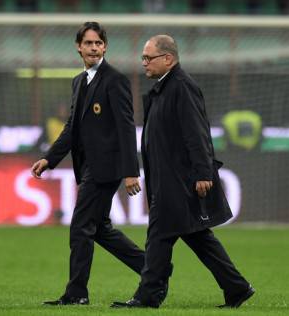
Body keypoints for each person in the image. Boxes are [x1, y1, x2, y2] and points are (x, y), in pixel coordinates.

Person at [111, 35, 254, 309]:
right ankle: (237, 287)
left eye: (148, 58)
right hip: (169, 178)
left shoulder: (182, 87)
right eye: (143, 58)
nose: (144, 63)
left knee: (159, 235)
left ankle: (148, 295)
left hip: (179, 179)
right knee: (196, 236)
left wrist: (203, 173)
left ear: (168, 58)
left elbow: (197, 134)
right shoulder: (165, 87)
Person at [31, 22, 145, 306]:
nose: (94, 48)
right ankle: (153, 268)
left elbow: (126, 127)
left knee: (80, 227)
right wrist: (49, 158)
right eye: (88, 43)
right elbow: (73, 127)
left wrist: (132, 171)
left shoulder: (115, 80)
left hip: (106, 169)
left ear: (105, 47)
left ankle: (76, 293)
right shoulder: (79, 81)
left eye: (98, 43)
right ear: (78, 47)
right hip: (89, 168)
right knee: (100, 229)